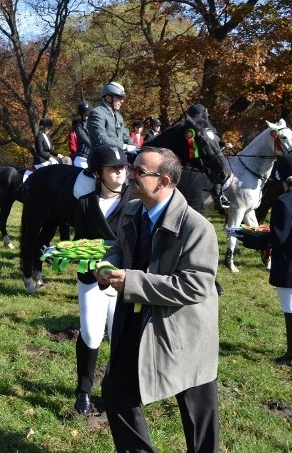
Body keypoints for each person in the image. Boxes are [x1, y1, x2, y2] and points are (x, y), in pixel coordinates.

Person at [95, 146, 219, 452]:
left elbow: (196, 285)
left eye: (138, 171)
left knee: (198, 415)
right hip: (139, 322)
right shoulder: (132, 211)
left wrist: (132, 281)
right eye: (131, 167)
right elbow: (121, 249)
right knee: (115, 391)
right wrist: (108, 265)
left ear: (162, 182)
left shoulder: (197, 228)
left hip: (185, 334)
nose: (129, 175)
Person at [239, 153, 292, 368]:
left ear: (281, 175)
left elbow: (277, 238)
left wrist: (248, 238)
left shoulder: (283, 202)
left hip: (290, 263)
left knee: (291, 307)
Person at [72, 145, 131, 415]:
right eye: (113, 168)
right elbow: (79, 243)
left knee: (119, 337)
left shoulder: (136, 202)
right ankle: (83, 390)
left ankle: (118, 388)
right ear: (99, 173)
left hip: (125, 279)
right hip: (92, 277)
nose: (120, 172)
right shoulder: (85, 203)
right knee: (91, 334)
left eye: (123, 167)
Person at [87, 81, 136, 153]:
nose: (122, 101)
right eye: (119, 97)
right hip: (102, 158)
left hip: (119, 157)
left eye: (122, 98)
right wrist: (124, 146)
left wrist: (137, 147)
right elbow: (102, 139)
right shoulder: (96, 113)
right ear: (108, 98)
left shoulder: (119, 116)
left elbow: (125, 136)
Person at [71, 101, 94, 169]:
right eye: (85, 115)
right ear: (81, 115)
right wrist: (93, 146)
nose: (87, 117)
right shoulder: (79, 127)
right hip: (82, 157)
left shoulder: (95, 124)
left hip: (93, 155)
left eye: (88, 115)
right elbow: (84, 139)